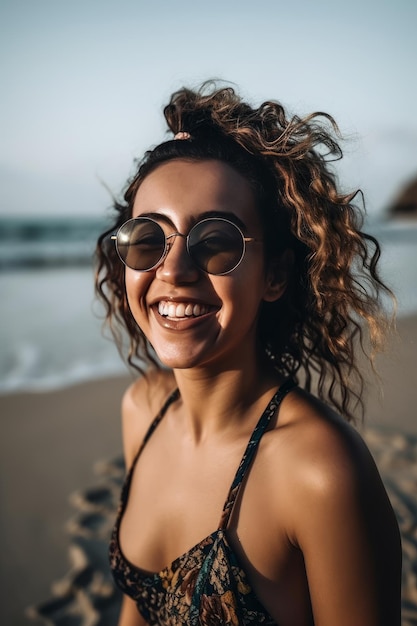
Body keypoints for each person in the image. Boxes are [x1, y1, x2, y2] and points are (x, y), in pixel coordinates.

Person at [95, 82, 402, 626]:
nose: (173, 271)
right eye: (148, 238)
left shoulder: (320, 471)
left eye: (216, 240)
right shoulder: (141, 410)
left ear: (276, 276)